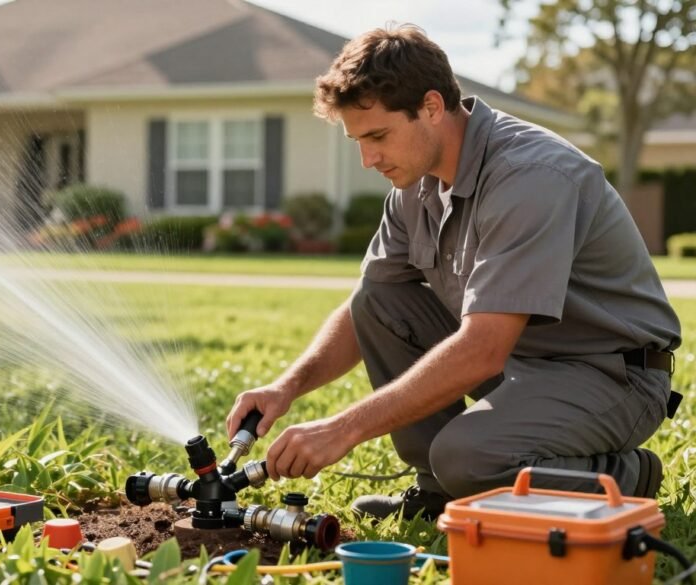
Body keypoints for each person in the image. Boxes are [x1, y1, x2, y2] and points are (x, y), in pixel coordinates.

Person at [226, 24, 682, 521]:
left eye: (378, 136)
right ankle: (439, 490)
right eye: (358, 140)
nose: (368, 159)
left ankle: (626, 474)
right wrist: (286, 389)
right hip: (523, 364)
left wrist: (342, 429)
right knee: (377, 301)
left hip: (609, 374)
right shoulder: (413, 185)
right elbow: (369, 309)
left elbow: (483, 350)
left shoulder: (529, 176)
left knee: (466, 456)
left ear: (432, 107)